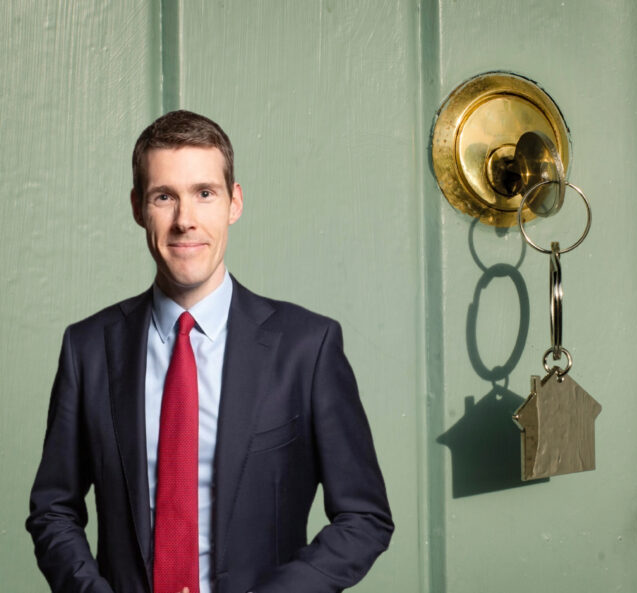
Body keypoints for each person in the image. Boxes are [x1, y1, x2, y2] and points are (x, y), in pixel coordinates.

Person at [26, 110, 394, 593]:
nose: (185, 221)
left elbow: (364, 516)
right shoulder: (88, 348)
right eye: (164, 197)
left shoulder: (307, 347)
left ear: (233, 203)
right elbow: (53, 509)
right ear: (138, 207)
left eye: (204, 193)